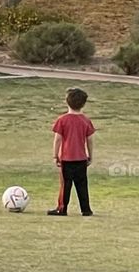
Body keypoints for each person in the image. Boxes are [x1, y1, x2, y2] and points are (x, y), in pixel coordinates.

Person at [47, 87, 95, 216]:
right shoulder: (86, 120)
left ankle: (62, 209)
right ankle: (86, 209)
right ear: (83, 103)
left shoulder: (62, 120)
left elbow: (58, 139)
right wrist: (90, 156)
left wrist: (55, 155)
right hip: (81, 159)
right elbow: (89, 140)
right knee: (82, 185)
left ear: (67, 102)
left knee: (65, 186)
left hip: (67, 159)